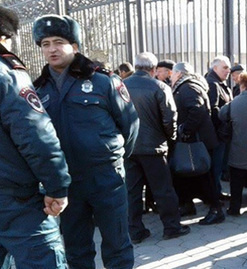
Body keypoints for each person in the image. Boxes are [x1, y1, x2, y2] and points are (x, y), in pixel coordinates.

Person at [32, 14, 139, 268]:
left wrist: (113, 159)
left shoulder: (103, 82)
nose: (51, 49)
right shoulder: (38, 90)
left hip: (106, 178)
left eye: (58, 41)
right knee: (77, 250)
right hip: (67, 183)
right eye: (45, 44)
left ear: (75, 46)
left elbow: (131, 127)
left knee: (117, 247)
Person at [0, 7, 71, 268]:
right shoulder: (7, 74)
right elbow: (36, 135)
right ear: (5, 38)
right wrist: (57, 187)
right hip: (16, 202)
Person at [123, 52, 190, 244]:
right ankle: (171, 227)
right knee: (163, 189)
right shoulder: (160, 87)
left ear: (136, 67)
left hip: (129, 148)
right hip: (154, 147)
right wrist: (171, 138)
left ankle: (135, 231)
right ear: (153, 69)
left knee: (132, 191)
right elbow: (170, 118)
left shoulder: (120, 86)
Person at [170, 62, 225, 225]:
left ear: (179, 73)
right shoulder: (187, 86)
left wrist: (186, 130)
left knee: (203, 176)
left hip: (197, 140)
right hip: (196, 139)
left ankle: (216, 210)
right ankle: (187, 205)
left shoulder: (188, 87)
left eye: (172, 73)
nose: (171, 77)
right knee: (187, 176)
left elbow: (197, 109)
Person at [219, 71, 247, 216]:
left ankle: (235, 208)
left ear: (243, 85)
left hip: (238, 149)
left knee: (236, 182)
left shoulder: (234, 103)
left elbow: (221, 115)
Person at [206, 55, 233, 200]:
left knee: (218, 166)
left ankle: (216, 192)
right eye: (225, 67)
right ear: (215, 68)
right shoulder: (213, 84)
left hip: (221, 133)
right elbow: (213, 110)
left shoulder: (219, 83)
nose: (228, 70)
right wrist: (226, 119)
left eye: (228, 67)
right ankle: (214, 195)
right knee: (215, 166)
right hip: (217, 134)